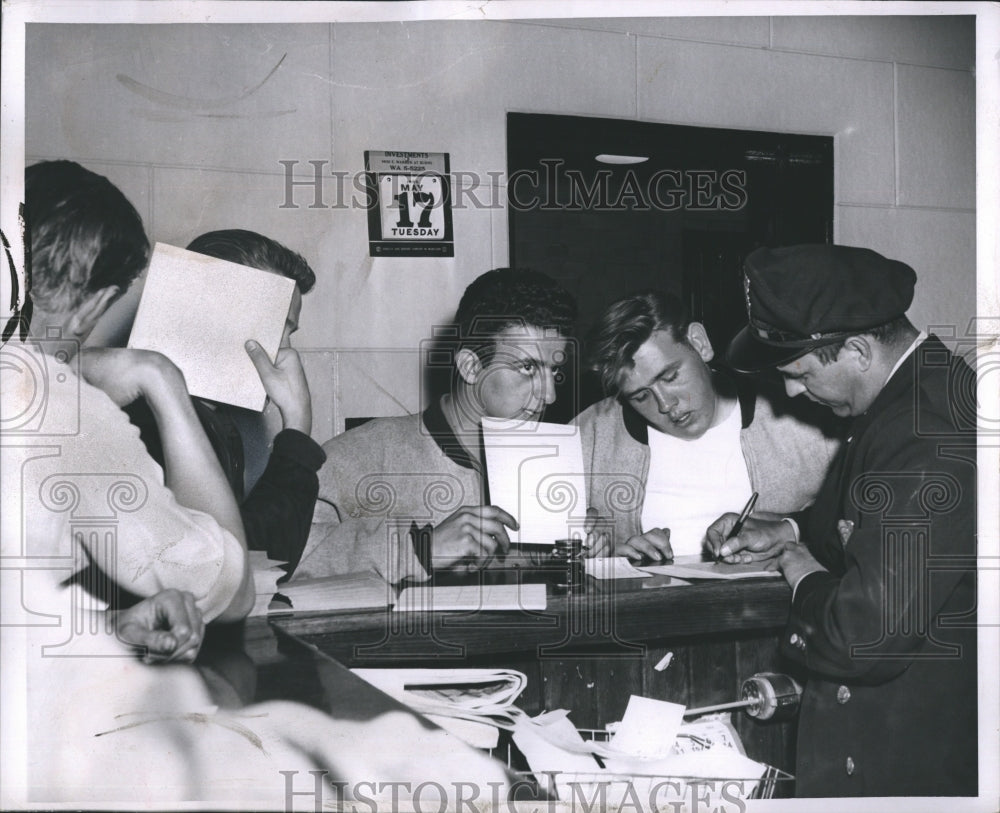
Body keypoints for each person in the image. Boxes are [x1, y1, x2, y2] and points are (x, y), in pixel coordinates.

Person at [706, 244, 977, 797]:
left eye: (799, 373)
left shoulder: (926, 431)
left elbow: (864, 637)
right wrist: (788, 530)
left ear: (856, 349)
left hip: (907, 760)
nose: (789, 392)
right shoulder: (906, 397)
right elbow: (867, 517)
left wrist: (800, 570)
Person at [1, 160, 253, 622]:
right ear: (94, 304)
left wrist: (112, 630)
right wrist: (160, 379)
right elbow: (228, 592)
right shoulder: (61, 412)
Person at [294, 268, 577, 583]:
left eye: (554, 370)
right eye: (528, 367)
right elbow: (281, 566)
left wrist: (575, 553)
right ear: (471, 367)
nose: (549, 394)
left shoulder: (550, 462)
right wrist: (420, 550)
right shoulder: (357, 456)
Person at [577, 290, 840, 561]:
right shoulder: (591, 433)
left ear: (699, 343)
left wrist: (791, 527)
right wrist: (606, 557)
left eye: (670, 376)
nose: (666, 405)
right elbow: (542, 550)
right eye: (641, 396)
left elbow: (865, 519)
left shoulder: (803, 418)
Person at [125, 229, 326, 577]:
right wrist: (296, 426)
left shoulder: (208, 418)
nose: (285, 351)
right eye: (278, 326)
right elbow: (232, 568)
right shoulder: (150, 420)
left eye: (289, 332)